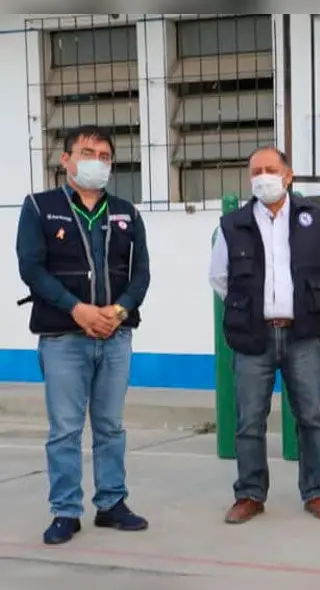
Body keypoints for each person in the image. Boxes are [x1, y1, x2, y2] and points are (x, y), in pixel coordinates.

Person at [15, 125, 151, 545]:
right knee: (66, 430)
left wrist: (118, 310)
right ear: (66, 160)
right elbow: (32, 269)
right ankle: (66, 511)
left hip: (115, 335)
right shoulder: (40, 207)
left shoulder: (126, 211)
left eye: (105, 156)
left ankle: (111, 503)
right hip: (63, 338)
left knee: (110, 426)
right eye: (88, 152)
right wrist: (77, 310)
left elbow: (141, 273)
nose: (97, 162)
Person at [208, 146, 320, 524]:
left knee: (311, 416)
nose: (263, 177)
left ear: (288, 175)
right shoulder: (233, 224)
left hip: (302, 335)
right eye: (256, 171)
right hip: (254, 336)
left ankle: (316, 491)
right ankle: (250, 494)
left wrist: (295, 302)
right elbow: (220, 278)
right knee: (250, 420)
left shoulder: (312, 218)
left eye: (271, 169)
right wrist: (253, 308)